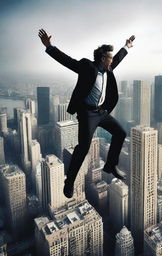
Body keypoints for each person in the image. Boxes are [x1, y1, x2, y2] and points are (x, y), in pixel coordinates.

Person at [38, 29, 135, 198]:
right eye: (109, 58)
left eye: (112, 58)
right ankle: (69, 182)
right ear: (103, 58)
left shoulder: (108, 68)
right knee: (83, 148)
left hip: (101, 112)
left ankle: (110, 165)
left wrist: (127, 46)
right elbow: (67, 61)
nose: (112, 60)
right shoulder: (87, 67)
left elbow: (118, 58)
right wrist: (49, 47)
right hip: (87, 114)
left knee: (120, 133)